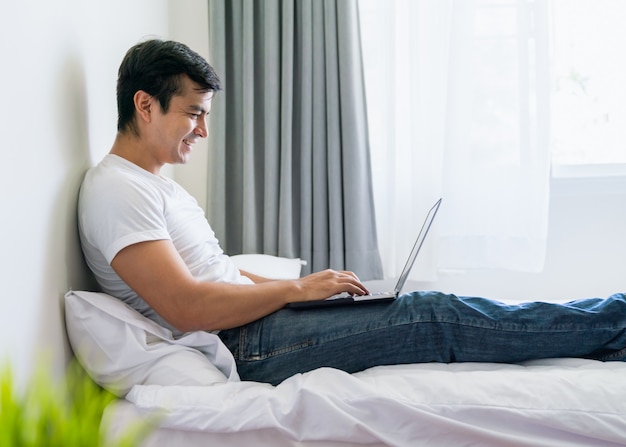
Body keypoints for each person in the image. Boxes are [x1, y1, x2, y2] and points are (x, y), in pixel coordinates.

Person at [78, 39, 626, 386]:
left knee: (419, 304)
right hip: (247, 344)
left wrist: (299, 284)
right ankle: (613, 319)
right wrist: (293, 291)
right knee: (430, 315)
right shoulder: (116, 191)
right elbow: (186, 306)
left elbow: (213, 271)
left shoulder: (156, 187)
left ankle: (604, 333)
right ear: (144, 105)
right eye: (193, 114)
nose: (202, 130)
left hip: (255, 323)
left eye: (206, 115)